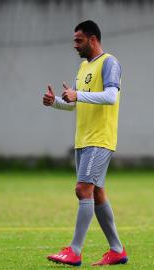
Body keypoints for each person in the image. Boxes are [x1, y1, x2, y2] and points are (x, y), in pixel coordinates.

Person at [42, 20, 128, 266]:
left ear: (92, 39)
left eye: (78, 40)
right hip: (83, 139)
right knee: (96, 193)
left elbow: (111, 97)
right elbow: (75, 103)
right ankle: (117, 250)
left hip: (100, 138)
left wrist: (77, 94)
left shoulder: (109, 62)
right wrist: (57, 101)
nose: (75, 45)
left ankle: (75, 251)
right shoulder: (83, 67)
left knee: (83, 189)